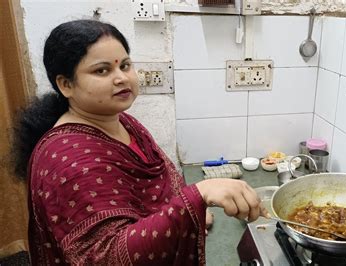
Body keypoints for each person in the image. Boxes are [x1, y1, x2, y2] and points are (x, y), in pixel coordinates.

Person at [12, 19, 266, 265]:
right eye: (102, 70)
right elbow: (108, 258)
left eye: (124, 65)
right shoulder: (67, 159)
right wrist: (197, 197)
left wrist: (192, 211)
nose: (121, 78)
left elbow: (166, 183)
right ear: (66, 85)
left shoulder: (124, 123)